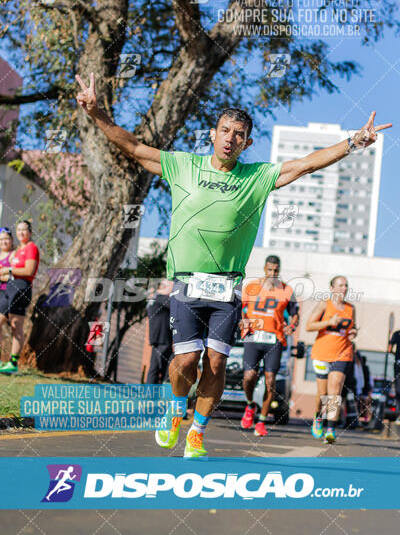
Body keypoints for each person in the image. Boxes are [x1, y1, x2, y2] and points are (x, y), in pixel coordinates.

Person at [75, 70, 391, 458]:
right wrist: (96, 113)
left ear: (247, 142)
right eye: (225, 130)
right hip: (187, 284)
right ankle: (176, 411)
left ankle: (197, 432)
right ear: (213, 133)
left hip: (226, 287)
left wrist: (353, 143)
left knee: (218, 361)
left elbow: (306, 164)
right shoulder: (183, 166)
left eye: (239, 134)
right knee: (187, 359)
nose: (230, 138)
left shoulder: (254, 178)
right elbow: (136, 148)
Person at [240, 255, 299, 436]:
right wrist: (244, 322)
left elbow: (295, 313)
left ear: (279, 271)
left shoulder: (287, 290)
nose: (273, 274)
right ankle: (250, 405)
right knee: (249, 376)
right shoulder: (251, 287)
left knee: (270, 381)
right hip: (253, 337)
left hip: (274, 339)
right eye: (270, 270)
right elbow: (241, 309)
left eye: (276, 271)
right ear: (264, 269)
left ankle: (262, 421)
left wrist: (292, 325)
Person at [306, 276, 358, 443]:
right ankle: (318, 416)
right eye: (340, 285)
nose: (344, 288)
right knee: (323, 394)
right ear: (332, 288)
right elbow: (309, 326)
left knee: (335, 390)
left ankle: (331, 428)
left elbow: (352, 327)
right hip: (322, 353)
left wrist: (353, 332)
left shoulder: (351, 308)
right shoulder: (324, 304)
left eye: (346, 285)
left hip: (343, 352)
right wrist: (329, 321)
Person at [0, 221, 40, 374]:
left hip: (21, 287)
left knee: (16, 325)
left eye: (24, 230)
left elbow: (29, 271)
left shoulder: (31, 248)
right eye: (18, 230)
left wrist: (8, 270)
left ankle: (13, 363)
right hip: (9, 288)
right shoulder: (18, 249)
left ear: (29, 232)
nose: (21, 233)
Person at [146, 279, 174, 385]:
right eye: (171, 285)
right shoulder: (161, 298)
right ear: (163, 287)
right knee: (157, 367)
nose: (173, 288)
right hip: (162, 338)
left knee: (159, 366)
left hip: (159, 338)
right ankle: (151, 393)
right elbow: (175, 306)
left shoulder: (155, 298)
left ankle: (154, 393)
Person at [0, 227, 15, 366]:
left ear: (11, 240)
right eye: (1, 239)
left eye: (6, 239)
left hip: (7, 294)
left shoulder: (14, 255)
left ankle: (12, 362)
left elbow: (16, 275)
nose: (4, 242)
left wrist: (5, 275)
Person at [388, 326, 400, 424]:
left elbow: (389, 349)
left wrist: (395, 354)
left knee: (398, 391)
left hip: (398, 364)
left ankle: (398, 415)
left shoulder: (397, 333)